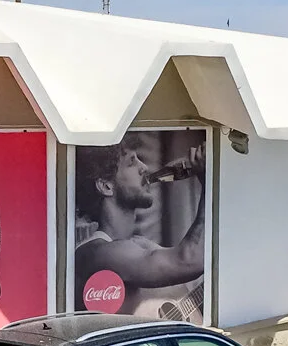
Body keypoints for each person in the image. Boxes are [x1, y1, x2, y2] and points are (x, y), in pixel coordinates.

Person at [74, 134, 206, 318]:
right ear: (106, 186)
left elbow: (193, 264)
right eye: (131, 162)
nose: (144, 167)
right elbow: (191, 260)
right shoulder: (98, 253)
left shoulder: (138, 244)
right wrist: (211, 180)